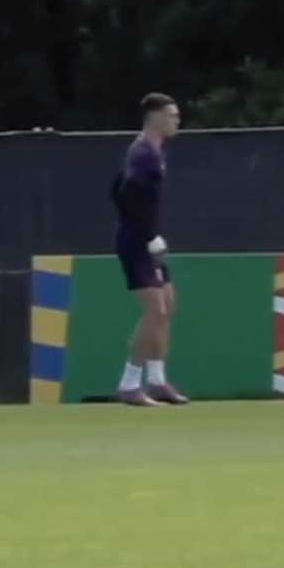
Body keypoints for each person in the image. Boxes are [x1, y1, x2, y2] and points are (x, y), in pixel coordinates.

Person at [112, 93, 190, 406]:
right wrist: (146, 236)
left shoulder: (151, 150)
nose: (177, 120)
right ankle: (129, 384)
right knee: (155, 310)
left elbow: (115, 190)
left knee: (168, 305)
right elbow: (128, 193)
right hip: (136, 243)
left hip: (147, 239)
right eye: (172, 115)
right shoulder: (143, 154)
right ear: (155, 116)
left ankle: (157, 381)